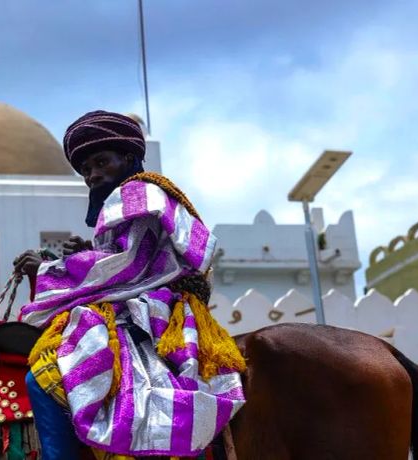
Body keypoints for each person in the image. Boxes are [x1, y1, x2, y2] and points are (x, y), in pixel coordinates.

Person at [14, 111, 245, 459]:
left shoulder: (137, 193)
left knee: (43, 375)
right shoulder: (135, 198)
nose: (93, 174)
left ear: (128, 158)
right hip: (144, 303)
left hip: (150, 313)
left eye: (101, 162)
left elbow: (127, 265)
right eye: (86, 169)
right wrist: (89, 253)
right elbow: (131, 257)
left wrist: (51, 269)